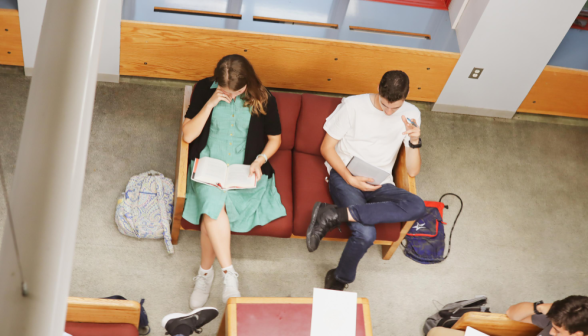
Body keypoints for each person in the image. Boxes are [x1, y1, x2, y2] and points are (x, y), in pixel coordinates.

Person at [182, 55, 286, 308]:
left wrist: (260, 160)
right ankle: (229, 276)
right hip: (209, 162)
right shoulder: (204, 89)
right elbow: (187, 136)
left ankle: (205, 273)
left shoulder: (264, 98)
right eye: (225, 90)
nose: (230, 95)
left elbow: (275, 139)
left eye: (236, 91)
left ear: (247, 82)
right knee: (213, 203)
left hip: (244, 166)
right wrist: (209, 104)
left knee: (211, 212)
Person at [306, 70, 426, 290]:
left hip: (380, 181)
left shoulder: (412, 114)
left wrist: (415, 141)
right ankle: (340, 280)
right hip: (345, 174)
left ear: (406, 97)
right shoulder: (353, 106)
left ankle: (334, 214)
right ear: (378, 90)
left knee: (418, 205)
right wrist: (350, 179)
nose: (389, 112)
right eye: (384, 105)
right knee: (365, 233)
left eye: (395, 107)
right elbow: (326, 148)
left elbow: (413, 170)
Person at [427, 295, 588, 336]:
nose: (552, 333)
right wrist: (539, 307)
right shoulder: (562, 319)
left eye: (558, 332)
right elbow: (512, 315)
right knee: (436, 332)